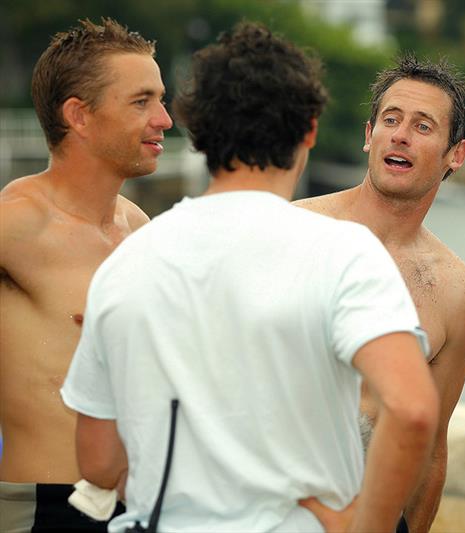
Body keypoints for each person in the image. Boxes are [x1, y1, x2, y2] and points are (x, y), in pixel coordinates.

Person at [59, 22, 439, 532]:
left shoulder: (127, 261)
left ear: (197, 130)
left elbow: (99, 464)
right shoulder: (343, 252)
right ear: (309, 130)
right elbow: (413, 409)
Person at [295, 54, 465, 532]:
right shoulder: (294, 228)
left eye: (423, 126)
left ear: (455, 154)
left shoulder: (458, 292)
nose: (400, 134)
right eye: (391, 120)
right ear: (369, 134)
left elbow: (431, 442)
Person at [0, 18, 171, 531]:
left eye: (160, 99)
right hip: (41, 506)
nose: (164, 118)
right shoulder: (17, 223)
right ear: (79, 115)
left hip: (138, 507)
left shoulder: (139, 228)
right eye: (141, 101)